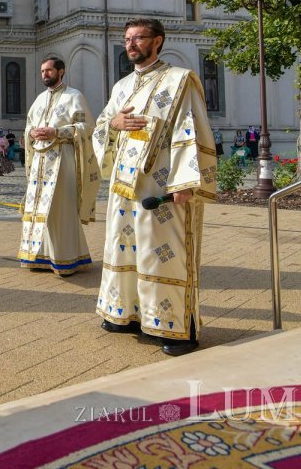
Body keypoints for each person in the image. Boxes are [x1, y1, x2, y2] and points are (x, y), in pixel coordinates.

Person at [92, 18, 216, 357]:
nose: (131, 44)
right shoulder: (121, 87)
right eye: (127, 38)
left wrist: (185, 182)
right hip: (123, 187)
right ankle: (126, 314)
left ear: (157, 41)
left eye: (139, 38)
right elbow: (104, 125)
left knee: (165, 253)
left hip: (161, 185)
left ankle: (175, 328)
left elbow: (189, 128)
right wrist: (115, 123)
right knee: (125, 249)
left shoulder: (179, 80)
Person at [19, 58, 99, 276]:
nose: (45, 74)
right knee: (38, 209)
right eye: (42, 70)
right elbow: (28, 127)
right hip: (39, 162)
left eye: (49, 70)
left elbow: (87, 128)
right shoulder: (39, 99)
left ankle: (66, 258)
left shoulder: (74, 96)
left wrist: (58, 132)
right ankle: (39, 255)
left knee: (61, 208)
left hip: (63, 161)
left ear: (61, 71)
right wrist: (32, 132)